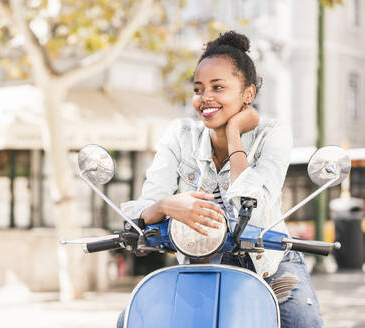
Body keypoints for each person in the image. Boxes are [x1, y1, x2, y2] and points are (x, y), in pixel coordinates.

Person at [118, 31, 323, 327]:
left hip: (269, 266)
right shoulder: (180, 135)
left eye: (218, 87)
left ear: (248, 94)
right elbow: (143, 210)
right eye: (198, 89)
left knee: (305, 324)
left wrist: (234, 134)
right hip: (197, 268)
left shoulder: (273, 133)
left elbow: (253, 199)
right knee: (130, 320)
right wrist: (166, 205)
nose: (206, 98)